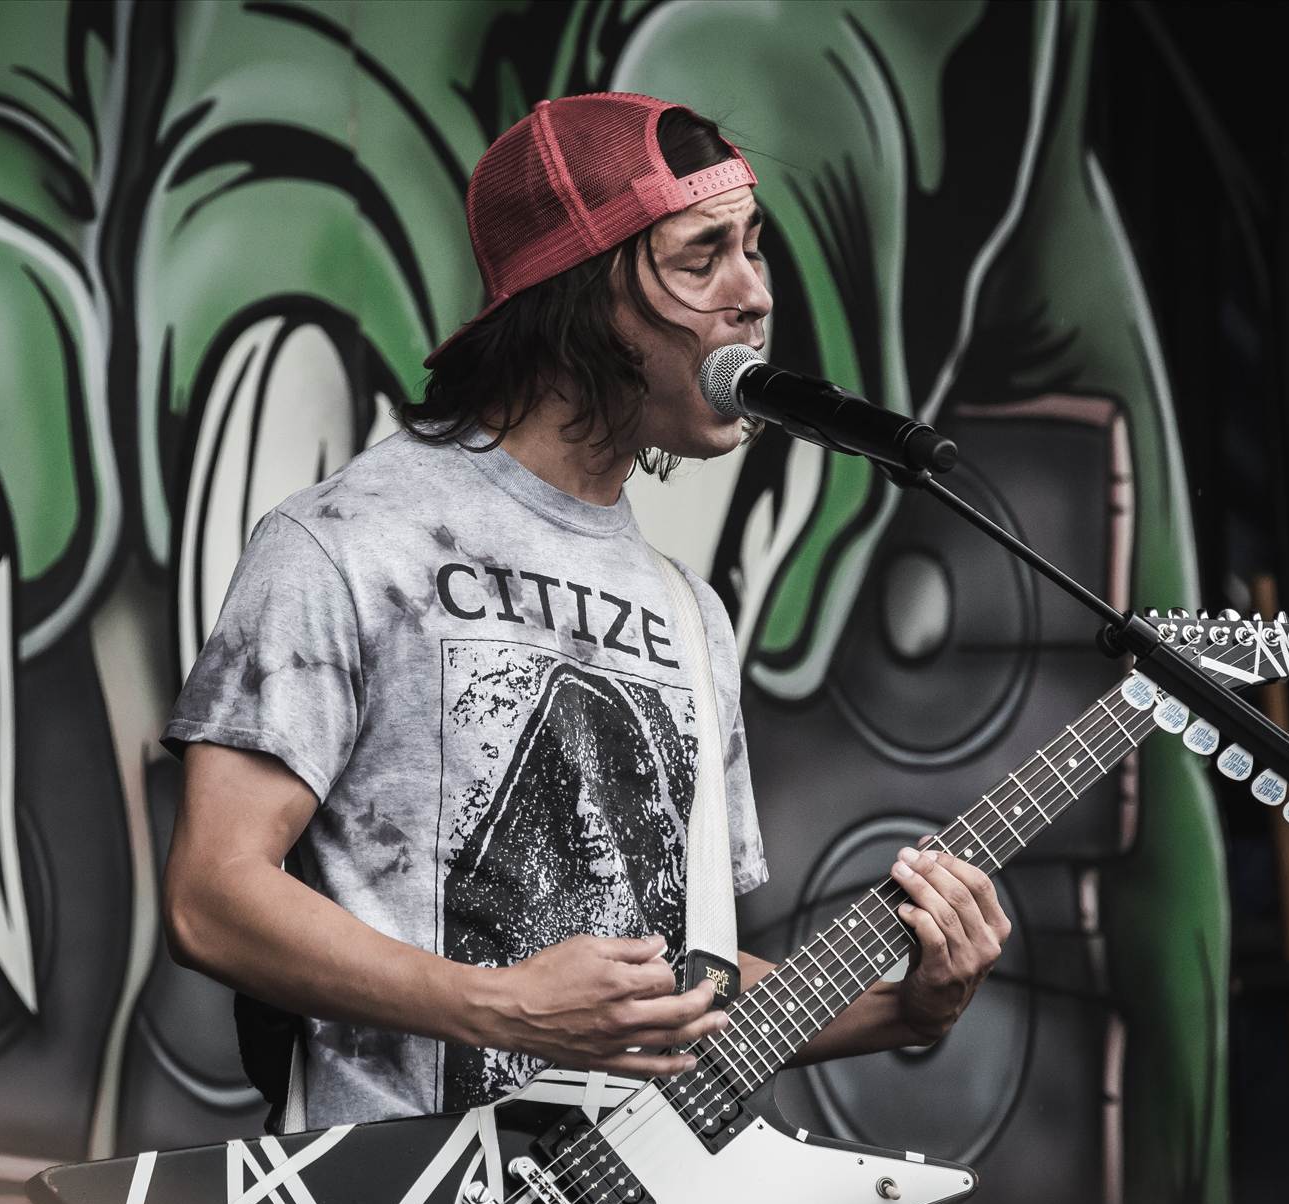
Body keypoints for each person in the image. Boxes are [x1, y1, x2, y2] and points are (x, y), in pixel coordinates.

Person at [160, 92, 1010, 1134]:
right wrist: (502, 1007)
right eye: (702, 257)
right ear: (580, 294)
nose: (753, 294)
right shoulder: (345, 543)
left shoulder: (691, 614)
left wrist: (904, 1010)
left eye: (754, 248)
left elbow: (676, 976)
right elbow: (213, 892)